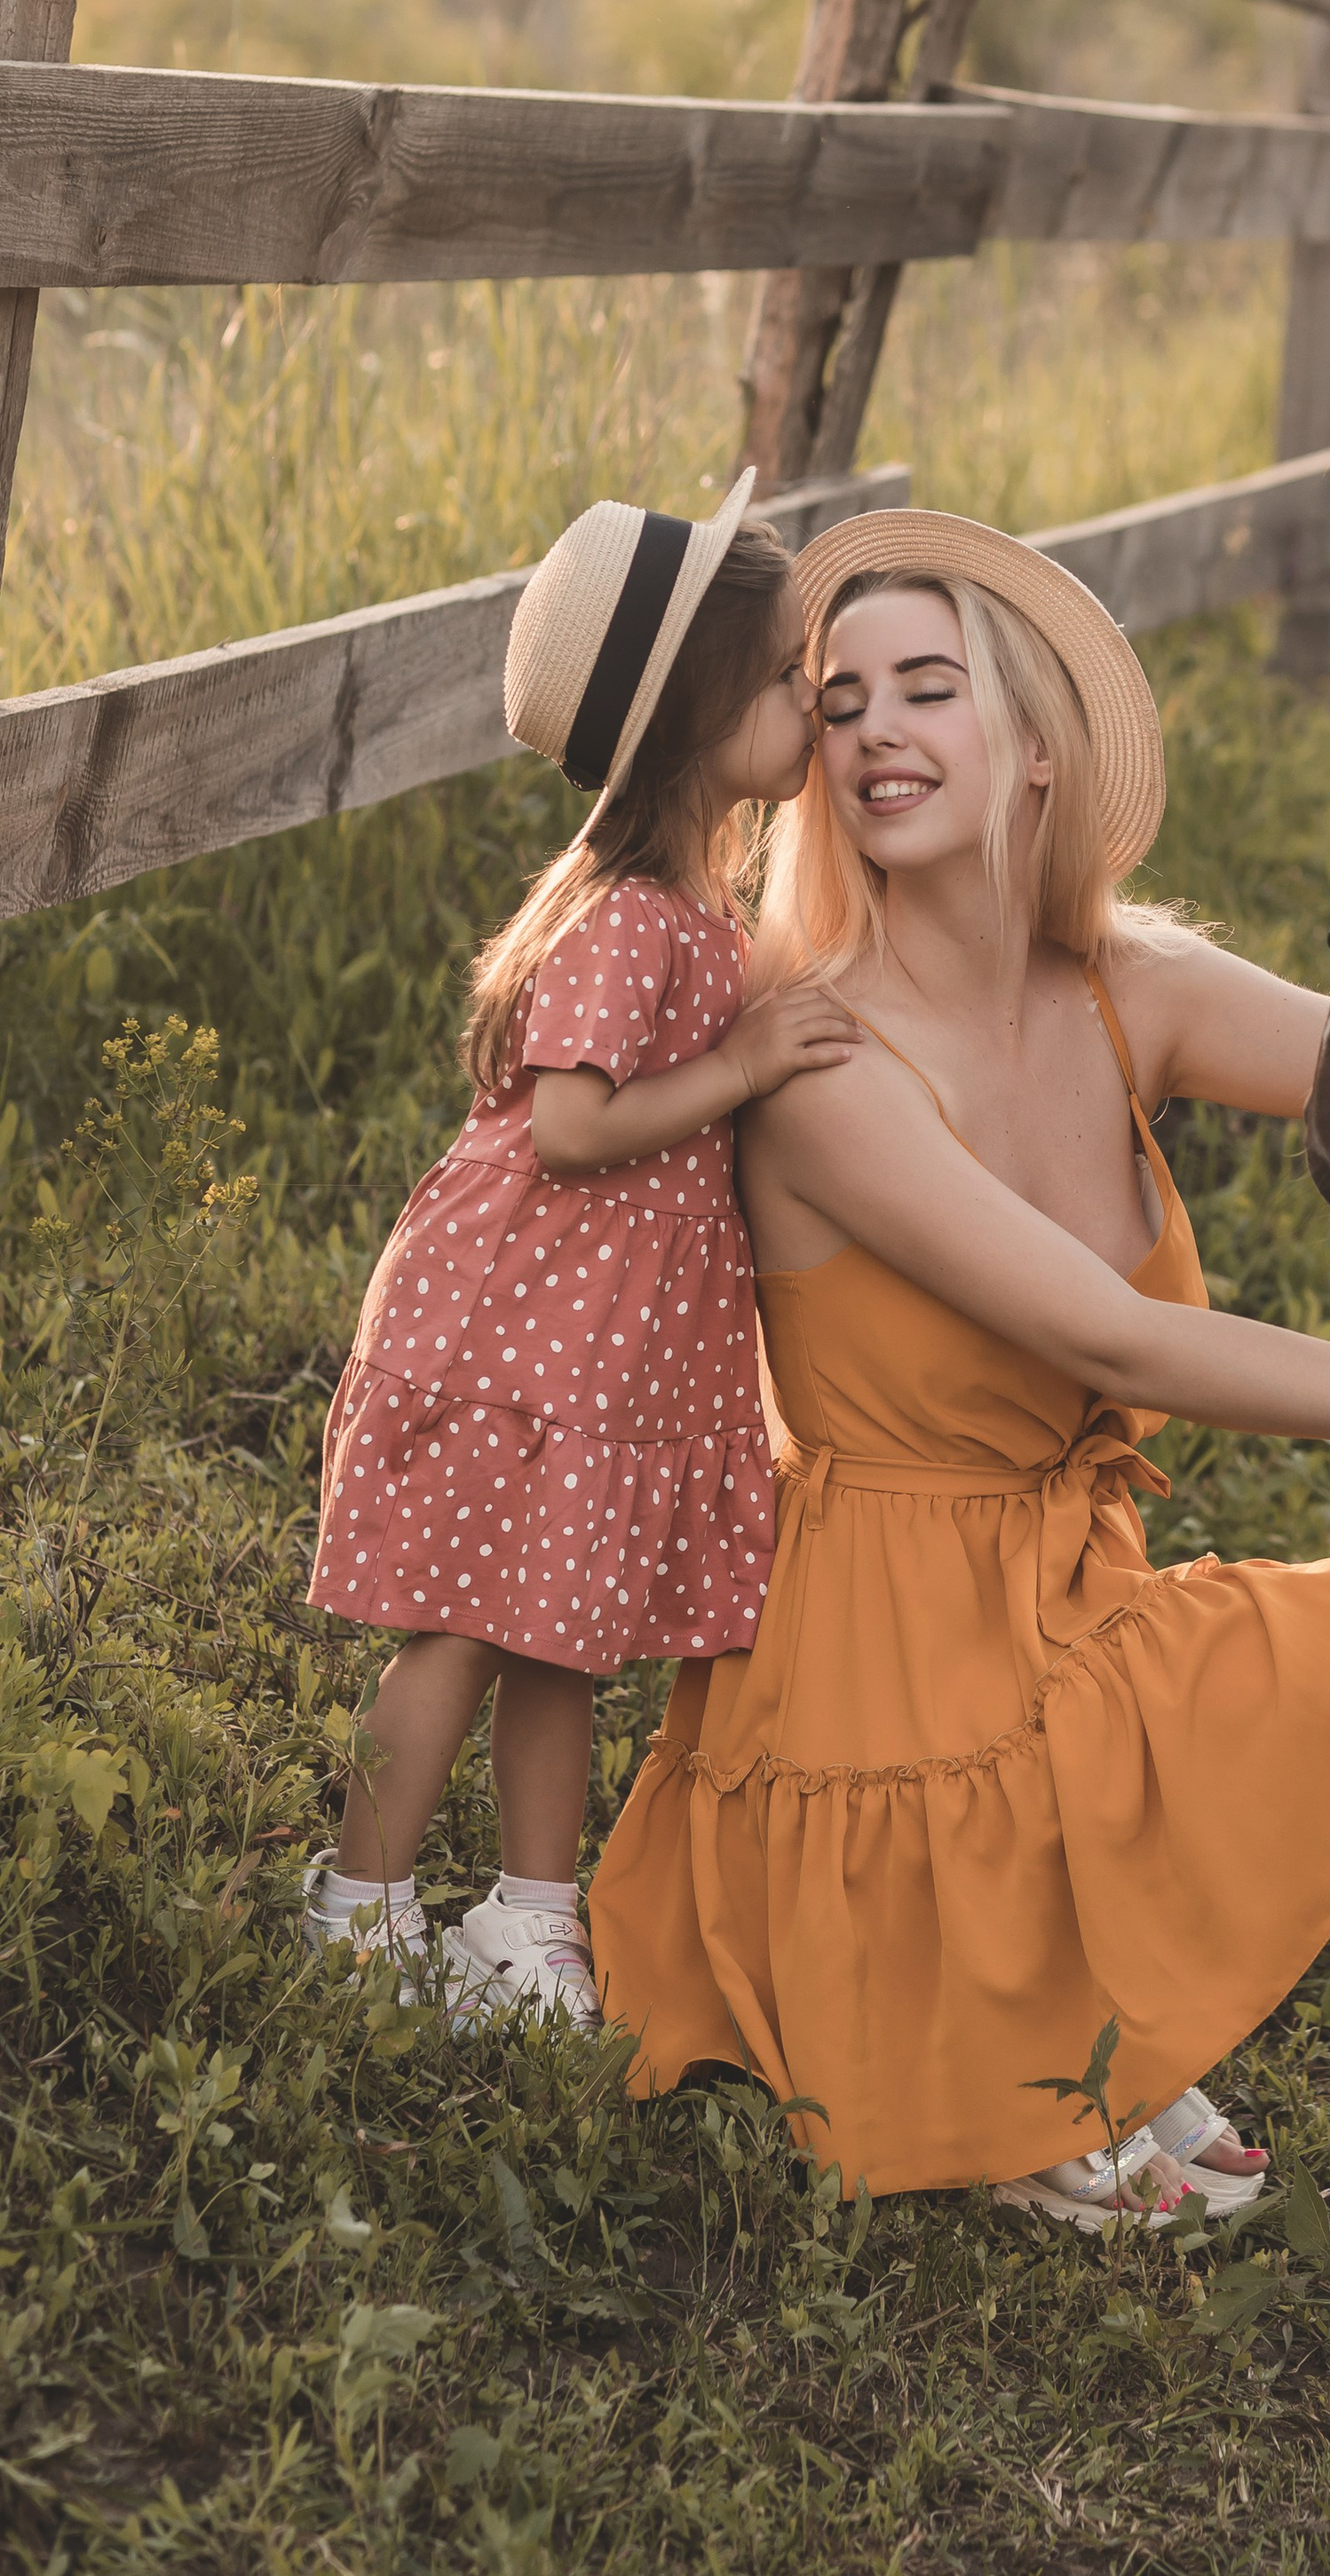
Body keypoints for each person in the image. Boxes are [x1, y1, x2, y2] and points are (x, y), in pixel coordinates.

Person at [590, 511, 1330, 2225]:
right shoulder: (816, 1052)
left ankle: (1105, 2002)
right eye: (840, 699)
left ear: (1029, 748)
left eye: (927, 688)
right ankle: (1023, 2050)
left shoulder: (1121, 984)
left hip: (1078, 1610)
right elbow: (1109, 1334)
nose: (875, 730)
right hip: (884, 1677)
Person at [300, 478, 859, 2026]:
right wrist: (744, 1066)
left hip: (614, 1340)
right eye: (781, 678)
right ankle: (360, 1897)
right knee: (472, 1624)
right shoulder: (630, 923)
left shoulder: (707, 903)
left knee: (568, 1627)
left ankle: (532, 1916)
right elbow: (571, 1127)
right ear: (696, 718)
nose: (812, 700)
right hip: (528, 1326)